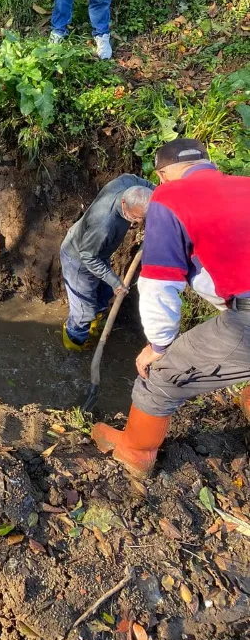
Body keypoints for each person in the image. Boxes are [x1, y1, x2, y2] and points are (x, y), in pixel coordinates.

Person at [92, 139, 250, 479]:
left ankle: (134, 451)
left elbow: (159, 286)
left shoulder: (169, 197)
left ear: (162, 175)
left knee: (161, 375)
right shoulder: (244, 186)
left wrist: (160, 346)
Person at [60, 175, 154, 351]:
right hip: (79, 260)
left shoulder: (128, 184)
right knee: (84, 312)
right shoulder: (104, 224)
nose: (140, 222)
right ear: (124, 204)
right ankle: (74, 345)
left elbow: (146, 185)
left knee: (103, 296)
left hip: (98, 253)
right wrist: (115, 282)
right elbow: (88, 257)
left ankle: (94, 328)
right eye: (137, 218)